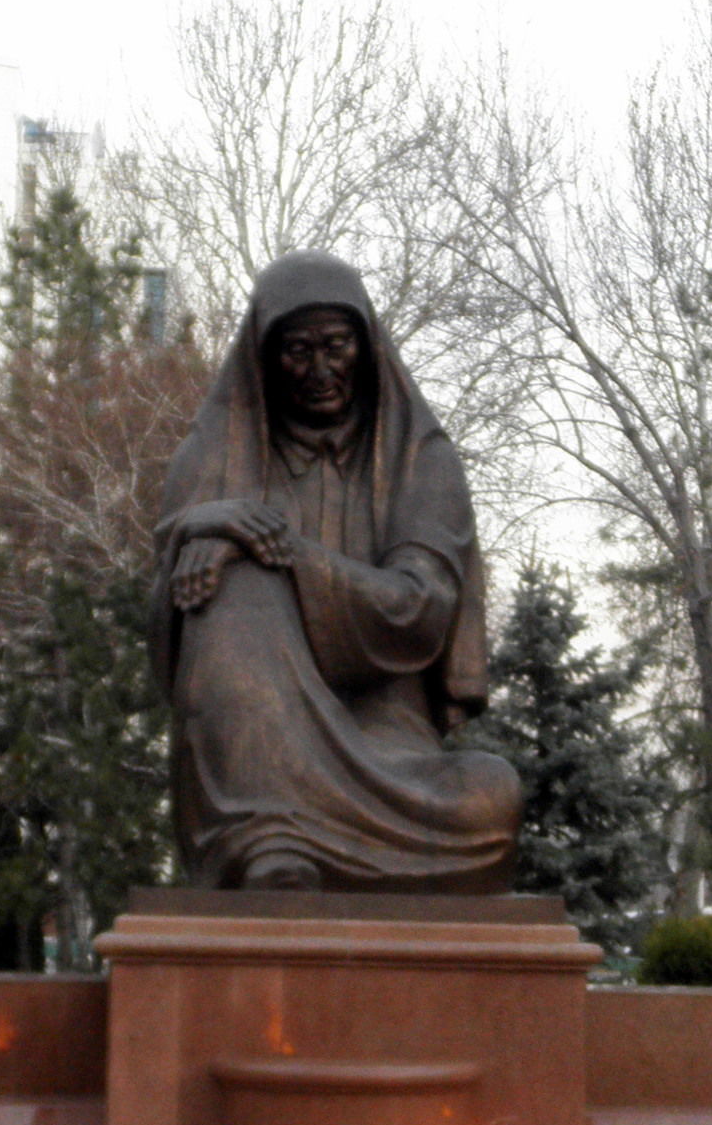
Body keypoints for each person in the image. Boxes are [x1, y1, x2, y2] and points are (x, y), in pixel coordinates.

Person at [152, 250, 521, 891]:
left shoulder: (420, 459)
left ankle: (292, 838)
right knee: (229, 584)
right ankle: (269, 839)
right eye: (297, 350)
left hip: (388, 743)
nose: (320, 370)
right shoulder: (215, 458)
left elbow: (417, 610)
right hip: (254, 752)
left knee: (492, 793)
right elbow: (173, 640)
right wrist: (204, 532)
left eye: (337, 346)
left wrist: (281, 550)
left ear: (366, 347)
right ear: (264, 358)